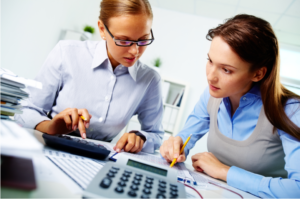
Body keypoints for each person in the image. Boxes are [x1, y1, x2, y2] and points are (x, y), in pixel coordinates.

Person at [160, 14, 300, 198]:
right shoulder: (211, 95)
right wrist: (175, 146)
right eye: (210, 61)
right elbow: (185, 138)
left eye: (226, 70)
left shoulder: (291, 110)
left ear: (258, 74)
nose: (211, 76)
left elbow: (297, 189)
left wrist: (225, 172)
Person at [16, 0, 164, 154]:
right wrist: (49, 126)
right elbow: (25, 110)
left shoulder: (150, 80)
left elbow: (156, 135)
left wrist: (140, 137)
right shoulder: (66, 53)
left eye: (143, 40)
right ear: (102, 29)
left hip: (102, 159)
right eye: (124, 40)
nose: (135, 51)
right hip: (48, 148)